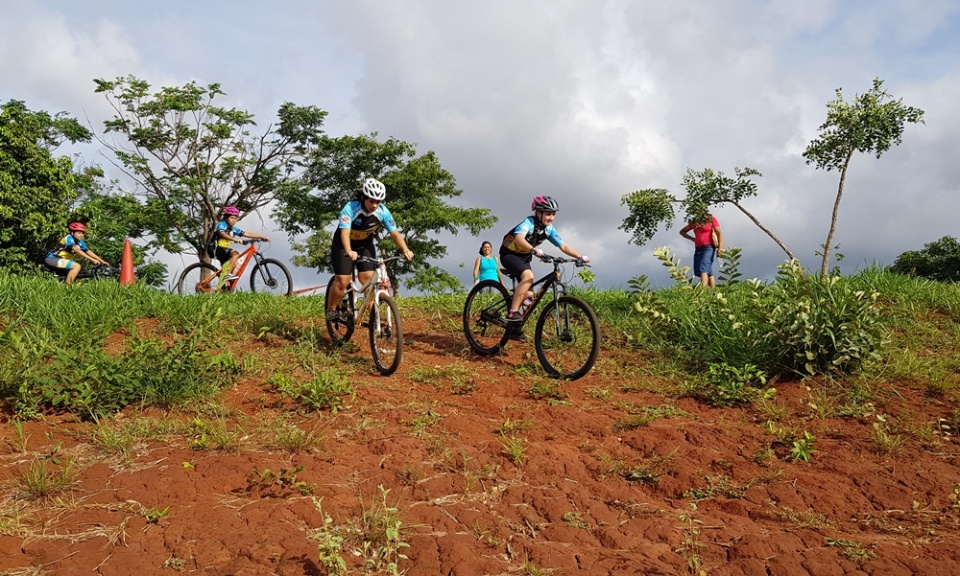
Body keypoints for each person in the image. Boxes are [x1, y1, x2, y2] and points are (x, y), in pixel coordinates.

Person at [325, 177, 415, 321]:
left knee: (368, 280)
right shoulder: (350, 208)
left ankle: (375, 319)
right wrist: (348, 251)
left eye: (378, 202)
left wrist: (405, 250)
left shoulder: (383, 212)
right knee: (343, 280)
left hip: (364, 245)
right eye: (371, 201)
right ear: (364, 198)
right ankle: (331, 309)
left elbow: (394, 233)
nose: (374, 205)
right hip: (344, 244)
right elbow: (345, 233)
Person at [499, 195, 589, 337]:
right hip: (509, 254)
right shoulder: (528, 223)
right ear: (538, 213)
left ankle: (513, 329)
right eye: (548, 214)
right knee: (528, 275)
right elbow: (519, 238)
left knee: (529, 296)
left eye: (553, 214)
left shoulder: (549, 229)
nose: (551, 218)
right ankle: (512, 313)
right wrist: (533, 249)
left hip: (524, 257)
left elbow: (563, 246)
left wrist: (579, 256)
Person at [213, 205, 270, 281]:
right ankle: (227, 275)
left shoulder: (233, 229)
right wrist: (235, 239)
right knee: (236, 254)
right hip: (217, 248)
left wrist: (262, 237)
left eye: (236, 218)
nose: (234, 220)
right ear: (226, 218)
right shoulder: (222, 224)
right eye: (232, 218)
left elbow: (247, 234)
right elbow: (222, 234)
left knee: (237, 264)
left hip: (225, 250)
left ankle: (225, 285)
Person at [44, 221, 110, 285]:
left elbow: (88, 251)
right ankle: (67, 288)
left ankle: (70, 288)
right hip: (52, 259)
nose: (81, 235)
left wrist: (102, 261)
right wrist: (92, 259)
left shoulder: (80, 242)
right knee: (76, 266)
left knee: (79, 272)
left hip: (62, 261)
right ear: (72, 232)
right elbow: (77, 250)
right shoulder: (68, 238)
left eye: (83, 233)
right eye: (79, 233)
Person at [680, 213, 723, 288]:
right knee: (703, 270)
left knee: (703, 268)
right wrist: (692, 239)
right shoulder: (695, 222)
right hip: (698, 248)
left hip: (709, 247)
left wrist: (720, 248)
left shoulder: (711, 219)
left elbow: (719, 233)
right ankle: (714, 291)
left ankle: (703, 291)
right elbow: (682, 231)